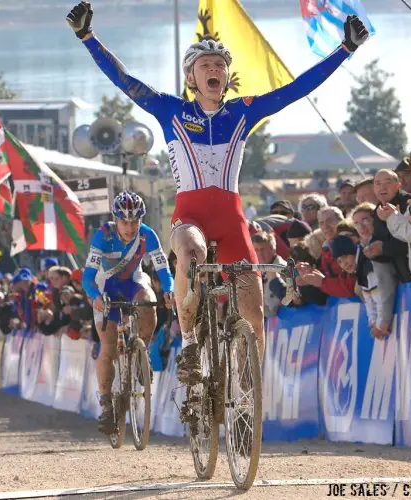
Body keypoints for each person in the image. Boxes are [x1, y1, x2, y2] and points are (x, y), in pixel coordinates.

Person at [67, 0, 369, 387]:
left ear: (227, 77)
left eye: (220, 65)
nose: (214, 69)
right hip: (189, 215)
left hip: (231, 220)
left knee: (253, 308)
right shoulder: (170, 110)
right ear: (191, 78)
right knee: (190, 252)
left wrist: (344, 50)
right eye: (205, 65)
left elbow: (296, 89)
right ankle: (190, 343)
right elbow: (124, 80)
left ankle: (247, 393)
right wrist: (87, 37)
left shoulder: (244, 111)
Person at [81, 191, 174, 434]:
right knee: (108, 348)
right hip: (105, 287)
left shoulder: (147, 235)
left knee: (149, 301)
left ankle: (141, 353)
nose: (130, 227)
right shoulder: (103, 235)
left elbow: (163, 268)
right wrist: (95, 297)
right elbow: (88, 277)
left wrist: (169, 290)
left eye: (135, 221)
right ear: (116, 219)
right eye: (125, 221)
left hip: (133, 281)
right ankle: (106, 405)